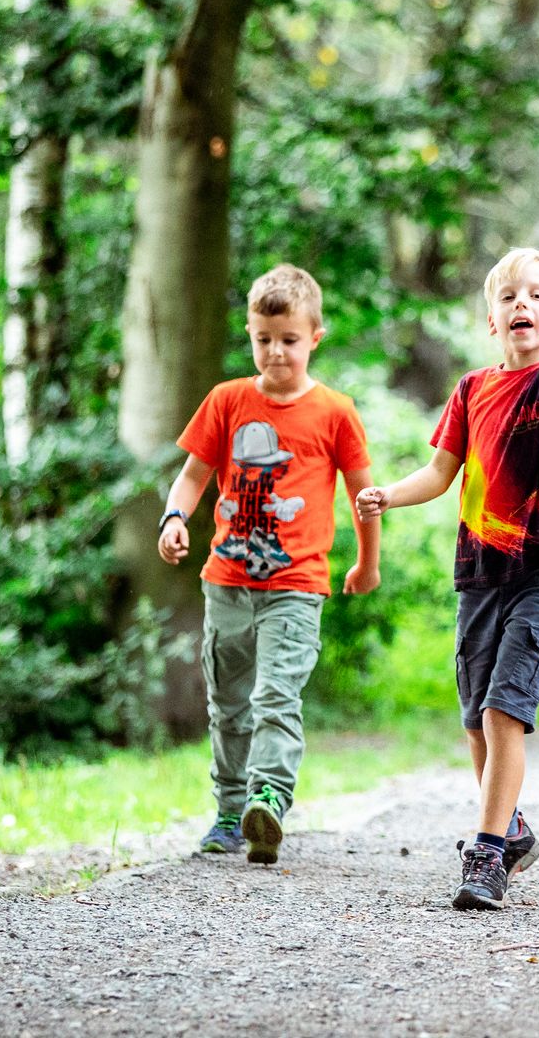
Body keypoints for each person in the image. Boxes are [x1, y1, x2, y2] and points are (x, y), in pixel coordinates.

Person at [354, 247, 539, 910]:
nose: (523, 306)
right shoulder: (472, 391)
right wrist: (388, 495)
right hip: (478, 574)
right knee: (476, 721)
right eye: (510, 297)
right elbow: (439, 472)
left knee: (503, 709)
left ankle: (485, 851)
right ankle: (509, 828)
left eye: (538, 296)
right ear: (491, 319)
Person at [158, 264, 381, 864]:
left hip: (296, 585)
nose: (276, 352)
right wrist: (174, 519)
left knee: (276, 696)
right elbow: (192, 478)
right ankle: (230, 811)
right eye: (264, 339)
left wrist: (367, 562)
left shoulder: (334, 411)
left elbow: (364, 495)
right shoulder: (227, 401)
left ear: (315, 337)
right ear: (251, 335)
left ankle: (268, 799)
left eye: (289, 339)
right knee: (227, 703)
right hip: (226, 583)